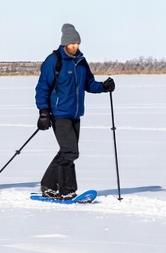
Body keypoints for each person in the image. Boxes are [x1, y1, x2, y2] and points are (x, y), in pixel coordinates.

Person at [35, 23, 113, 199]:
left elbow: (89, 84)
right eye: (72, 43)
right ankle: (67, 189)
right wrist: (43, 112)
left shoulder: (81, 61)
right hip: (59, 114)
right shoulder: (53, 61)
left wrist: (104, 87)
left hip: (75, 114)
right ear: (64, 43)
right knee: (71, 151)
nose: (75, 46)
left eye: (78, 43)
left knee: (66, 151)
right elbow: (42, 88)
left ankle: (48, 185)